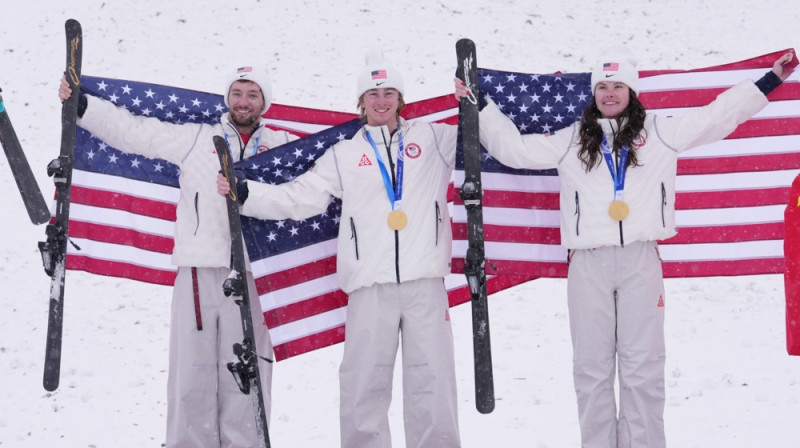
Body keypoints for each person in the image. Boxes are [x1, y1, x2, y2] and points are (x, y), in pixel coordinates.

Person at [455, 47, 795, 447]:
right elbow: (516, 150)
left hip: (639, 261)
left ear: (631, 91)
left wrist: (769, 80)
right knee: (591, 369)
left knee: (643, 368)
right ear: (594, 94)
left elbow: (715, 117)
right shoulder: (573, 139)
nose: (609, 93)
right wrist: (481, 106)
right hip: (588, 264)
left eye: (617, 86)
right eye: (602, 86)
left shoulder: (661, 133)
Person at [218, 49, 462, 448]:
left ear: (401, 99)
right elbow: (301, 198)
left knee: (432, 385)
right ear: (360, 102)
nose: (381, 101)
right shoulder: (345, 153)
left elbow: (479, 136)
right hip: (369, 286)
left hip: (425, 283)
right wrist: (247, 194)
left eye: (388, 93)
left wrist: (477, 103)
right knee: (364, 386)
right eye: (372, 94)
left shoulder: (434, 139)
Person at [58, 66, 299, 447]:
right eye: (237, 92)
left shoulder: (284, 144)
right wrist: (83, 105)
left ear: (264, 102)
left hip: (253, 274)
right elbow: (137, 133)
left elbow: (307, 189)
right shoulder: (199, 137)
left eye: (253, 94)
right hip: (198, 271)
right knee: (193, 373)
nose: (243, 101)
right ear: (227, 97)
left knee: (248, 375)